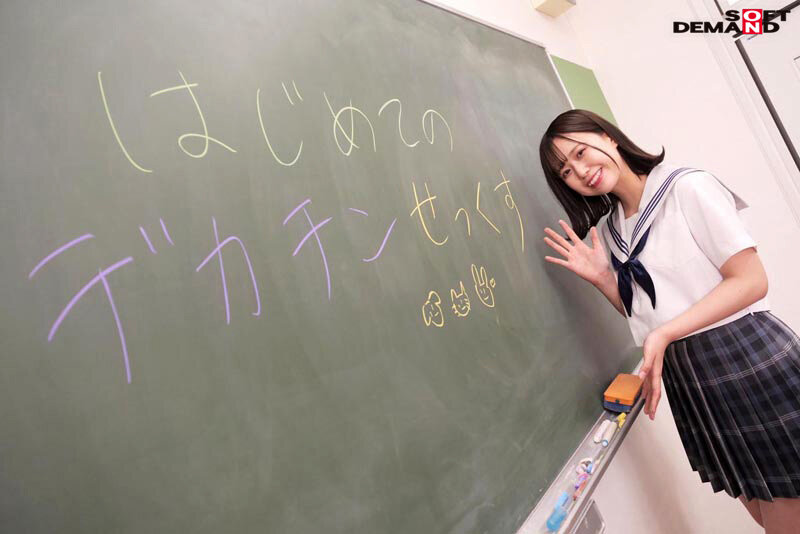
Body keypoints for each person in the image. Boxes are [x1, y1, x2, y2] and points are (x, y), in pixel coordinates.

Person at [539, 109, 800, 533]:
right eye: (566, 171)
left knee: (786, 514)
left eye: (581, 153)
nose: (581, 172)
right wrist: (605, 279)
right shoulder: (610, 231)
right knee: (761, 510)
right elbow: (650, 313)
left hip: (745, 359)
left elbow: (751, 281)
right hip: (692, 381)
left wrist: (665, 333)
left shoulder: (686, 188)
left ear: (607, 137)